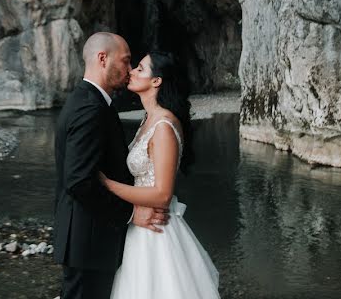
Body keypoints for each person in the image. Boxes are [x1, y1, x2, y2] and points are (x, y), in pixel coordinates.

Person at [53, 32, 170, 299]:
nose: (129, 70)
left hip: (89, 240)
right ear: (102, 59)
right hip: (89, 242)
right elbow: (80, 181)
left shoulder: (89, 102)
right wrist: (131, 214)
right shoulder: (90, 108)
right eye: (126, 61)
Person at [102, 51, 220, 298]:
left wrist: (106, 184)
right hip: (141, 225)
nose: (131, 71)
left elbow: (163, 194)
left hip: (155, 232)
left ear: (156, 81)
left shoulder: (164, 126)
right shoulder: (150, 118)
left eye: (140, 69)